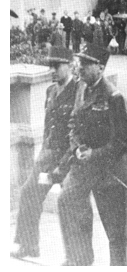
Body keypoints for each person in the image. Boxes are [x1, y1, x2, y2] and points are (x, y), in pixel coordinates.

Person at [56, 43, 127, 266]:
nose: (79, 68)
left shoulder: (113, 96)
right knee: (67, 201)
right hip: (85, 163)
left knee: (115, 232)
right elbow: (73, 122)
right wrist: (76, 147)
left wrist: (94, 153)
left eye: (86, 64)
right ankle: (79, 259)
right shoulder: (81, 87)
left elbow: (124, 140)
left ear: (100, 67)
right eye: (79, 63)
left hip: (112, 170)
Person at [10, 46, 78, 259]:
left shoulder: (79, 91)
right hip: (49, 155)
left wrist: (67, 160)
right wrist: (43, 153)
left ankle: (75, 256)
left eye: (57, 66)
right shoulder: (51, 91)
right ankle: (28, 245)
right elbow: (49, 125)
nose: (52, 70)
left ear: (70, 65)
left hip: (71, 157)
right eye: (50, 66)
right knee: (29, 193)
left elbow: (80, 129)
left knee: (71, 202)